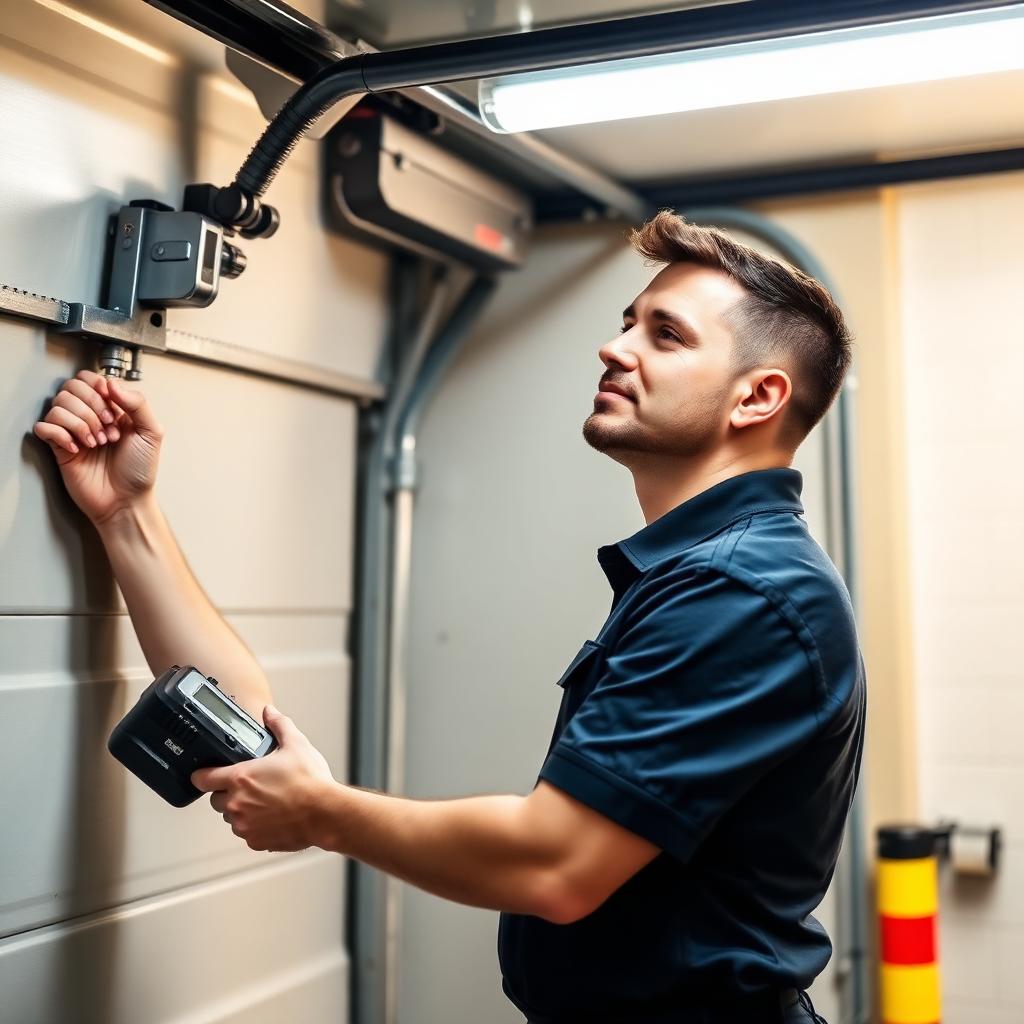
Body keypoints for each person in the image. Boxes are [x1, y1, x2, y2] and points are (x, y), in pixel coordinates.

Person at [33, 211, 864, 1024]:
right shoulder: (707, 573)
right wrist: (126, 516)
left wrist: (322, 812)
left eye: (666, 335)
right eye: (627, 323)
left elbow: (557, 864)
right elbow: (264, 732)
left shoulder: (742, 591)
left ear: (757, 397)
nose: (615, 347)